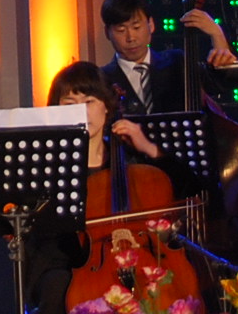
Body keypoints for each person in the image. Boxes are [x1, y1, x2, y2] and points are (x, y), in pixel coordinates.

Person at [26, 61, 196, 314]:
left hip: (137, 253)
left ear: (106, 106)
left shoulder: (131, 159)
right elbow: (41, 235)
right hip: (66, 260)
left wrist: (148, 147)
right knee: (57, 287)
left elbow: (191, 187)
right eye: (69, 104)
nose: (81, 113)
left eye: (89, 102)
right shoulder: (49, 166)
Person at [97, 0, 231, 117]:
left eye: (136, 27)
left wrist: (217, 34)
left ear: (151, 25)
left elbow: (218, 83)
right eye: (121, 30)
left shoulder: (177, 62)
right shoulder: (102, 79)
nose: (131, 38)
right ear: (107, 33)